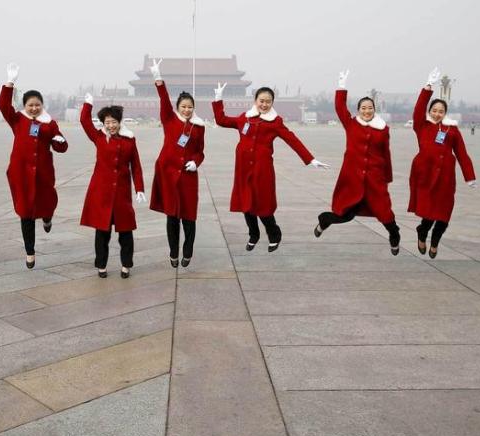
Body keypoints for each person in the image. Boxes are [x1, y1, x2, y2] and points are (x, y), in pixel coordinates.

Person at [213, 83, 330, 252]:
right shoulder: (244, 117)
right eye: (261, 100)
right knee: (246, 203)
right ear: (255, 100)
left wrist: (310, 159)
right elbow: (221, 120)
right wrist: (218, 99)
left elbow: (292, 139)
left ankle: (274, 233)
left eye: (268, 101)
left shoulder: (275, 122)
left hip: (263, 170)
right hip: (243, 169)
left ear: (272, 103)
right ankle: (254, 234)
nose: (264, 104)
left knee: (263, 205)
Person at [314, 70, 401, 255]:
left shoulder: (383, 130)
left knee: (385, 214)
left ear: (374, 109)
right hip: (352, 179)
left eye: (370, 108)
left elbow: (386, 153)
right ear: (358, 110)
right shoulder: (351, 124)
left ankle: (395, 237)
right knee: (344, 215)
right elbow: (340, 108)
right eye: (363, 108)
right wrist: (341, 86)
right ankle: (324, 221)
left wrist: (387, 177)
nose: (367, 111)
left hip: (375, 179)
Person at [0, 63, 68, 268]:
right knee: (25, 212)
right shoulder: (18, 119)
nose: (34, 108)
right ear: (25, 106)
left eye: (37, 104)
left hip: (44, 173)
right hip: (20, 173)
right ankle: (30, 251)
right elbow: (4, 106)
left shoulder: (50, 123)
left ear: (42, 105)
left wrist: (60, 141)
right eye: (30, 105)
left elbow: (60, 147)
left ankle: (47, 218)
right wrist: (9, 83)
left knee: (47, 204)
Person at [407, 68, 476, 258]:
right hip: (426, 175)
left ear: (445, 113)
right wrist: (428, 87)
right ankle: (422, 232)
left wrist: (469, 176)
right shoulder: (422, 126)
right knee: (429, 212)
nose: (437, 114)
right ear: (430, 111)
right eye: (434, 110)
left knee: (444, 214)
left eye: (441, 111)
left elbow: (462, 153)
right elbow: (418, 109)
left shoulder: (452, 130)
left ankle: (435, 241)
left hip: (445, 177)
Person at [147, 58, 206, 267]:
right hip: (168, 174)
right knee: (172, 216)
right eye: (183, 106)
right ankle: (173, 251)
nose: (187, 110)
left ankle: (187, 250)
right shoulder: (169, 120)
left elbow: (200, 152)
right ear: (178, 107)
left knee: (189, 217)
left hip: (188, 177)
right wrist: (158, 78)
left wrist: (195, 163)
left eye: (190, 107)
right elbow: (164, 100)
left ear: (194, 108)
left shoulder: (199, 127)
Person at [79, 93, 145, 278]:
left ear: (119, 121)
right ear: (103, 123)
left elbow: (136, 166)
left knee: (126, 231)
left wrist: (139, 188)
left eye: (113, 121)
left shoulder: (129, 140)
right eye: (107, 122)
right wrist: (88, 104)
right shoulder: (98, 137)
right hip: (101, 192)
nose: (111, 125)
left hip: (122, 193)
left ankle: (126, 265)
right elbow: (84, 121)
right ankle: (101, 265)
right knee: (102, 231)